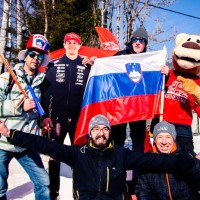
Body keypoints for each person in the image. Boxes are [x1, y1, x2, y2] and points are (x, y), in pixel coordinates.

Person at [0, 114, 197, 200]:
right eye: (96, 129)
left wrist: (183, 160)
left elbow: (153, 160)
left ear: (110, 132)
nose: (101, 132)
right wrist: (12, 134)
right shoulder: (78, 154)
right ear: (90, 133)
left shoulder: (121, 155)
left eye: (105, 129)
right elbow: (45, 145)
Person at [40, 32, 95, 199]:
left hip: (80, 118)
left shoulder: (88, 64)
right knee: (54, 155)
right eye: (68, 42)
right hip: (57, 118)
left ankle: (79, 193)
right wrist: (45, 116)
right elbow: (44, 91)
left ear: (80, 45)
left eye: (75, 43)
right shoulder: (54, 64)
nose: (72, 46)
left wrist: (95, 63)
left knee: (79, 156)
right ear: (64, 44)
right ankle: (53, 193)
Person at [0, 34, 50, 199]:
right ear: (26, 55)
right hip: (3, 142)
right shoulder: (7, 78)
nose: (36, 58)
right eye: (33, 54)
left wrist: (44, 117)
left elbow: (38, 108)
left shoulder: (40, 81)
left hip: (26, 142)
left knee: (44, 183)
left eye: (40, 55)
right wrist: (20, 108)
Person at [135, 121, 200, 200]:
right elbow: (143, 190)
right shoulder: (148, 161)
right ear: (155, 140)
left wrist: (192, 167)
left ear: (173, 139)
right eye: (160, 137)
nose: (164, 142)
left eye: (168, 137)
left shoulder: (186, 154)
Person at [111, 27, 149, 151]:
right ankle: (117, 168)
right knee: (117, 137)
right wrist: (96, 62)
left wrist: (166, 73)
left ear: (145, 44)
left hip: (139, 105)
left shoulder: (149, 59)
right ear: (131, 42)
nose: (137, 43)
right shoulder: (120, 55)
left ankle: (137, 169)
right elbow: (106, 67)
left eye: (141, 40)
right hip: (121, 103)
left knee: (138, 138)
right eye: (134, 40)